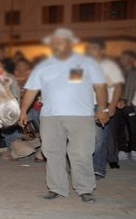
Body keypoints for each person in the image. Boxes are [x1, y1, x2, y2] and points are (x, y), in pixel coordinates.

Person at [19, 28, 109, 203]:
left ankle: (85, 189)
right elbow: (31, 90)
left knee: (82, 153)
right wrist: (23, 110)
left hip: (81, 115)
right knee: (52, 153)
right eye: (54, 41)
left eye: (60, 40)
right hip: (50, 116)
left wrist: (103, 109)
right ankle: (56, 188)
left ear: (70, 43)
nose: (56, 44)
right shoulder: (44, 66)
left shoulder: (87, 63)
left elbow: (100, 87)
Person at [85, 39, 124, 176]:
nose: (90, 51)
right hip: (83, 105)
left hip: (101, 106)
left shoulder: (109, 66)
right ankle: (82, 167)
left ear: (102, 51)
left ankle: (98, 168)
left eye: (94, 48)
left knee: (99, 139)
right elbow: (73, 84)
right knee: (83, 138)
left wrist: (112, 105)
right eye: (89, 48)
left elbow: (118, 86)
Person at [114, 50, 136, 161]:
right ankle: (122, 150)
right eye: (121, 57)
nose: (122, 60)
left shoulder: (134, 72)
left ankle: (133, 150)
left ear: (132, 59)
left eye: (125, 57)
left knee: (133, 128)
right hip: (118, 104)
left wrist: (127, 101)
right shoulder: (119, 72)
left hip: (132, 104)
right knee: (119, 127)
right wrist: (118, 101)